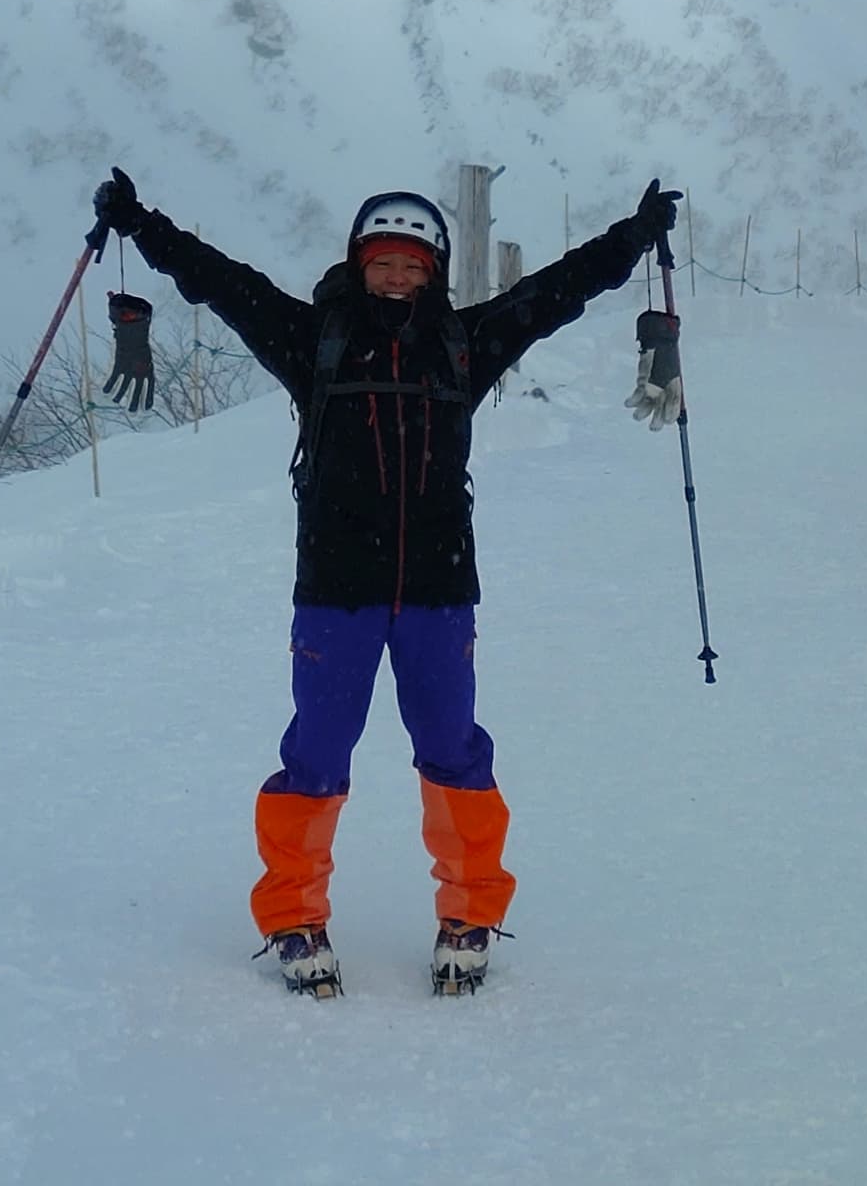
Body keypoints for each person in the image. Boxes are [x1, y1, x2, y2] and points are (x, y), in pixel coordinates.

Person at [91, 164, 680, 999]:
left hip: (439, 591)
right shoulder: (312, 339)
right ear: (359, 262)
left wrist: (632, 235)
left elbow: (559, 291)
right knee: (317, 756)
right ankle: (295, 916)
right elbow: (220, 282)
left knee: (453, 752)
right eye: (383, 261)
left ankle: (469, 911)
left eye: (413, 264)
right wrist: (141, 224)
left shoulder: (465, 343)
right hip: (337, 589)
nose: (397, 276)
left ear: (434, 272)